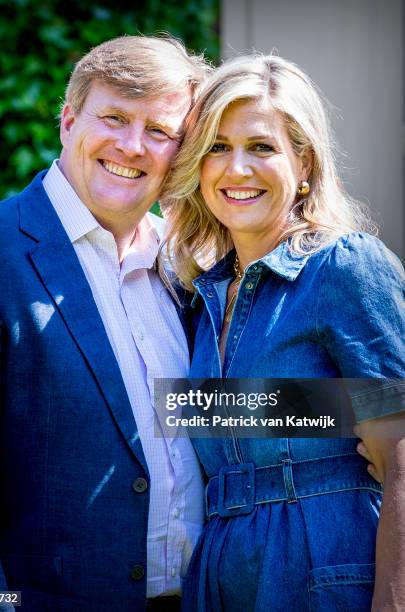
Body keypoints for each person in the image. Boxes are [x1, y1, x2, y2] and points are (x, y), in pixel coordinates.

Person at [0, 35, 211, 611]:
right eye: (114, 117)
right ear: (69, 120)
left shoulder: (188, 260)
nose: (132, 145)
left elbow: (197, 410)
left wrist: (357, 412)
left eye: (160, 131)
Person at [162, 54, 405, 611]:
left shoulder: (343, 266)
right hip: (219, 578)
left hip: (324, 571)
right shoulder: (200, 298)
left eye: (262, 147)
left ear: (305, 163)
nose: (236, 169)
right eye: (217, 147)